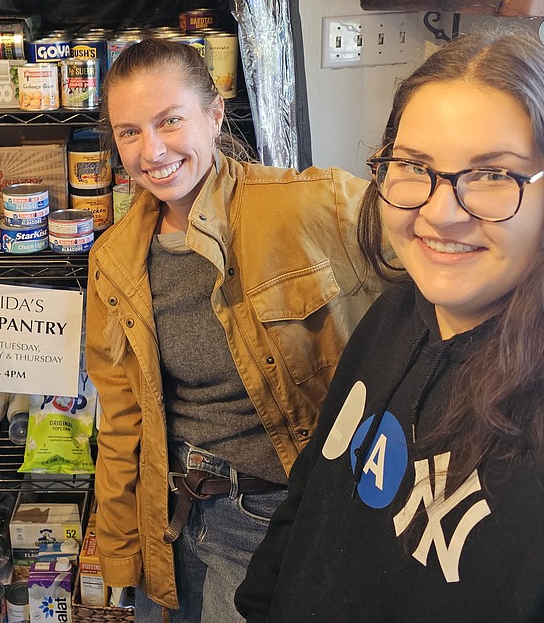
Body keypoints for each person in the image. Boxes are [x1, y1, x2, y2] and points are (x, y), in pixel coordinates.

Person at [236, 31, 544, 621]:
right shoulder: (395, 313)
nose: (440, 213)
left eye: (492, 174)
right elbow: (313, 495)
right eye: (414, 167)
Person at [85, 38, 380, 622]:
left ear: (215, 116)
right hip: (170, 523)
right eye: (129, 132)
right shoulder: (114, 259)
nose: (153, 151)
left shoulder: (311, 205)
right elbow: (122, 424)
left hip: (273, 521)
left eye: (170, 121)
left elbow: (436, 257)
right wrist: (120, 557)